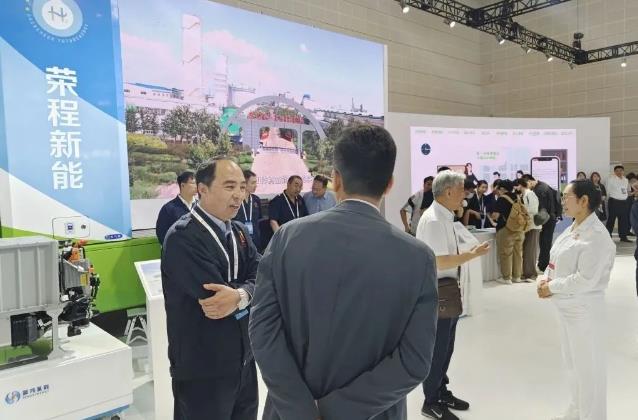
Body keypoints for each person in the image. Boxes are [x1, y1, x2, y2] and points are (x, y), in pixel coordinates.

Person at [249, 125, 439, 420]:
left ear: (336, 179)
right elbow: (414, 362)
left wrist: (301, 409)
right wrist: (337, 411)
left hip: (290, 413)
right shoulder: (418, 258)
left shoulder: (286, 238)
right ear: (389, 184)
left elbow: (262, 330)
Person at [161, 160, 261, 420]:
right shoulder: (183, 236)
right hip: (203, 368)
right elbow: (216, 299)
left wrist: (241, 295)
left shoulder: (239, 231)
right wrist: (250, 292)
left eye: (242, 187)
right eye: (229, 186)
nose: (239, 195)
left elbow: (264, 274)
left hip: (244, 359)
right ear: (202, 190)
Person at [537, 180, 615, 420]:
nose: (562, 201)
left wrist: (551, 287)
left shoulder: (597, 236)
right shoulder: (572, 227)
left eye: (566, 197)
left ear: (584, 201)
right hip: (567, 308)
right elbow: (554, 260)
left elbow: (586, 279)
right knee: (572, 365)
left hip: (584, 310)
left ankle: (591, 415)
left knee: (588, 369)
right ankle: (576, 411)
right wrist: (544, 278)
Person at [416, 170, 490, 420]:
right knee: (438, 349)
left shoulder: (444, 216)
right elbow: (439, 261)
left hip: (447, 289)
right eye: (461, 190)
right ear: (448, 192)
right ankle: (430, 401)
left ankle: (440, 390)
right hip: (438, 291)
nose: (465, 195)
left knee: (446, 346)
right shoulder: (434, 220)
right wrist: (472, 255)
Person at [523, 175, 562, 272]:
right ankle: (544, 264)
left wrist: (538, 222)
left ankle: (543, 266)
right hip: (549, 218)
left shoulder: (539, 190)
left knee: (545, 243)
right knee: (545, 243)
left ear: (529, 181)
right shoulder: (543, 186)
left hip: (546, 219)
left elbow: (541, 208)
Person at [491, 179, 526, 284]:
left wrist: (493, 216)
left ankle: (506, 278)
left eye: (498, 189)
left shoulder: (502, 199)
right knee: (518, 253)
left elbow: (495, 216)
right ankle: (517, 277)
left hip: (506, 229)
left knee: (506, 254)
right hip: (520, 229)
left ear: (502, 189)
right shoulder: (518, 197)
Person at [155, 171, 197, 246]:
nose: (196, 186)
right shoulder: (168, 209)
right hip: (179, 251)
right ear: (182, 185)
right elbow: (162, 235)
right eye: (193, 183)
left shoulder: (200, 207)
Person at [516, 178, 541, 282]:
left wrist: (523, 211)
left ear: (520, 185)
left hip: (532, 226)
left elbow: (534, 210)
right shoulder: (524, 195)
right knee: (526, 250)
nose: (515, 188)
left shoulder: (530, 194)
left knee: (530, 250)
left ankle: (532, 274)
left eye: (516, 185)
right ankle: (526, 273)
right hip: (527, 226)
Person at [233, 169, 263, 250]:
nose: (255, 185)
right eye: (253, 183)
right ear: (244, 184)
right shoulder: (235, 200)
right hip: (240, 238)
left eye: (256, 182)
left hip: (255, 238)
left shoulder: (256, 199)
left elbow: (259, 219)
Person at [605, 165, 631, 242]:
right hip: (614, 202)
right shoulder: (610, 179)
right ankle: (608, 236)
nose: (619, 172)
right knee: (611, 219)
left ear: (623, 171)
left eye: (621, 170)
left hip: (624, 202)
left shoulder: (626, 180)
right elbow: (607, 191)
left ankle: (623, 237)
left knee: (623, 220)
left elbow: (627, 190)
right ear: (614, 172)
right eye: (617, 171)